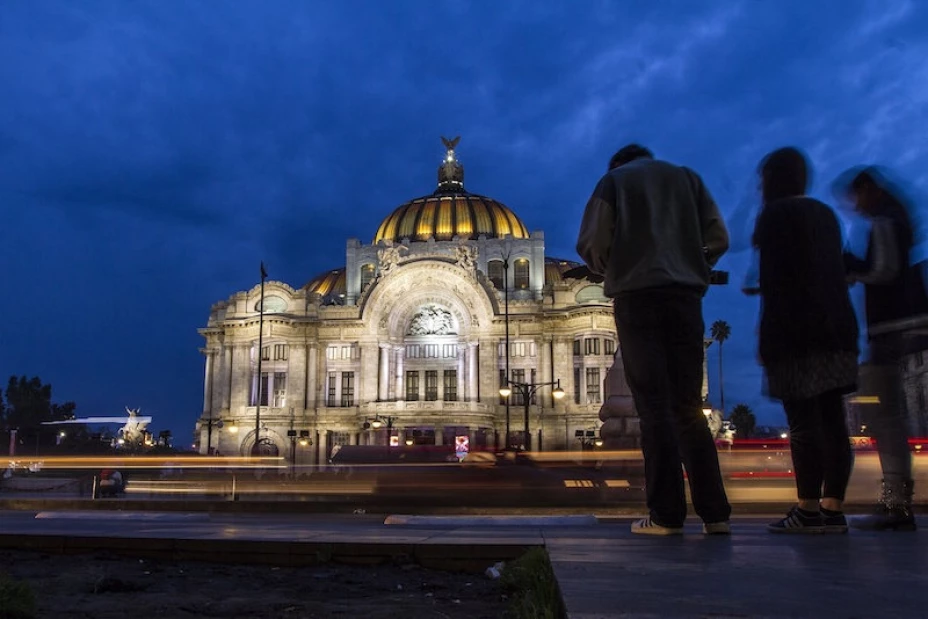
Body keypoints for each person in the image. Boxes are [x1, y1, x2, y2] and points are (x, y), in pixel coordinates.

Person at [576, 144, 732, 535]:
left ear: (618, 164)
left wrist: (615, 266)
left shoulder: (614, 182)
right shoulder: (687, 177)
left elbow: (592, 243)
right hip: (685, 297)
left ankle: (666, 515)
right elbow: (718, 238)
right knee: (688, 407)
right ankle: (716, 515)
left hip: (638, 298)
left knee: (654, 408)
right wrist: (692, 262)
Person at [750, 148, 859, 533]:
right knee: (833, 421)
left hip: (795, 331)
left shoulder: (774, 215)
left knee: (802, 423)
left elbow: (776, 283)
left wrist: (766, 336)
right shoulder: (825, 215)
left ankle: (807, 509)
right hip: (839, 329)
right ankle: (833, 510)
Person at [836, 166, 928, 531]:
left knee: (885, 413)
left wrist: (852, 265)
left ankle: (895, 504)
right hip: (902, 326)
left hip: (893, 327)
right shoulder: (897, 218)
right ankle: (896, 501)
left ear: (868, 189)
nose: (855, 206)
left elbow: (885, 271)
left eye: (856, 197)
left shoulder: (886, 223)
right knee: (891, 414)